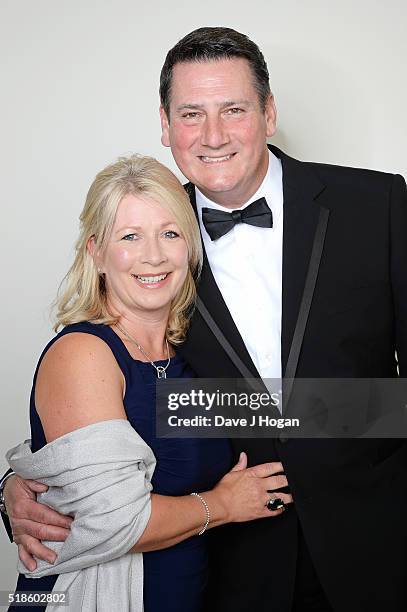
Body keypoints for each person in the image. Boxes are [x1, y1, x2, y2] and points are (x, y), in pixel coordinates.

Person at [2, 25, 407, 612]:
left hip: (375, 547)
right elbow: (105, 396)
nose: (213, 136)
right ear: (165, 126)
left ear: (268, 114)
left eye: (234, 109)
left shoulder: (379, 205)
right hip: (223, 570)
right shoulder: (153, 239)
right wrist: (21, 489)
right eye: (191, 114)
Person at [1, 153, 292, 612]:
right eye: (130, 236)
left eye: (170, 233)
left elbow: (303, 413)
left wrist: (384, 411)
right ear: (96, 252)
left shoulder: (191, 357)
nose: (153, 255)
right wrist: (223, 505)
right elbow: (115, 520)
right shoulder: (82, 352)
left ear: (191, 247)